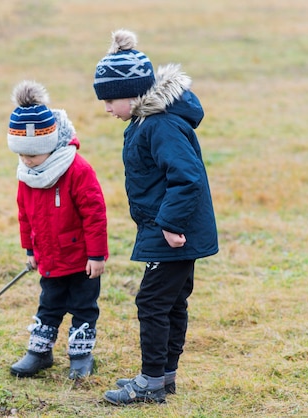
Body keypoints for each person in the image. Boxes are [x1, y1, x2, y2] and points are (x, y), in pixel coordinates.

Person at [92, 29, 219, 404]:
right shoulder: (145, 122)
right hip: (167, 229)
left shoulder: (159, 125)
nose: (106, 108)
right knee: (171, 302)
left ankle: (150, 383)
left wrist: (170, 224)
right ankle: (164, 377)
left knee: (151, 303)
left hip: (172, 233)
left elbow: (187, 177)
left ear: (134, 94)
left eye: (111, 100)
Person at [6, 80, 108, 379]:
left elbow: (95, 215)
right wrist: (30, 249)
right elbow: (25, 215)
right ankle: (39, 353)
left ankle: (81, 356)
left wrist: (97, 255)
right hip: (49, 258)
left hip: (81, 259)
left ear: (49, 146)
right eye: (22, 155)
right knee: (48, 305)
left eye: (33, 155)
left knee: (83, 307)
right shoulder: (27, 174)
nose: (26, 161)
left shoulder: (77, 170)